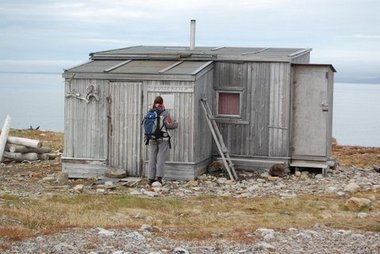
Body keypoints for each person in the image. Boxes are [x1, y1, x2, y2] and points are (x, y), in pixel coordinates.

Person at [147, 96, 178, 186]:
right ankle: (159, 179)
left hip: (152, 138)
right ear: (162, 102)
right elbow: (170, 125)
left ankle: (150, 179)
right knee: (160, 158)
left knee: (152, 158)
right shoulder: (165, 113)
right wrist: (176, 123)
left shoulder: (150, 112)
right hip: (162, 139)